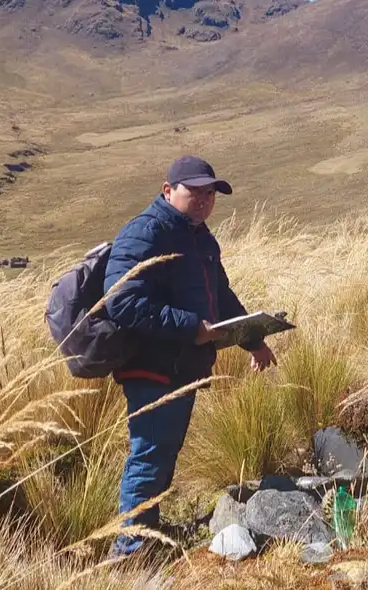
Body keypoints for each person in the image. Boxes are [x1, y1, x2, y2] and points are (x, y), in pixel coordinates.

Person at [103, 155, 278, 556]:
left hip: (182, 367)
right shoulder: (147, 231)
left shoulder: (199, 236)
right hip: (151, 367)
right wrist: (190, 327)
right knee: (149, 456)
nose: (204, 199)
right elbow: (121, 300)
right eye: (194, 191)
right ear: (168, 191)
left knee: (163, 452)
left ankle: (147, 532)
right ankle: (128, 550)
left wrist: (253, 339)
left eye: (210, 193)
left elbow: (222, 298)